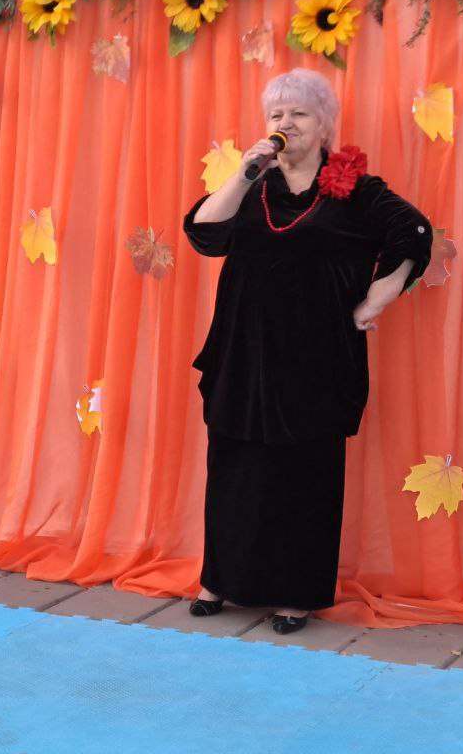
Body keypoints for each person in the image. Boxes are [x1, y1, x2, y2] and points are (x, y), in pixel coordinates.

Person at [182, 68, 433, 634]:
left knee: (304, 477)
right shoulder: (252, 186)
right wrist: (242, 174)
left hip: (315, 358)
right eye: (276, 114)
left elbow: (414, 234)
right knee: (235, 468)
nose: (285, 123)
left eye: (299, 113)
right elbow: (203, 233)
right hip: (243, 353)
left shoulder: (357, 189)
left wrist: (375, 300)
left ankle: (296, 595)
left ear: (324, 127)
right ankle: (220, 580)